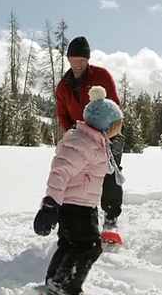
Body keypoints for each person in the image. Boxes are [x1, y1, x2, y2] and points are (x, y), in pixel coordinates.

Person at [33, 85, 124, 295]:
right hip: (75, 206)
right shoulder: (83, 143)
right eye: (117, 125)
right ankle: (65, 287)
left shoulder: (94, 141)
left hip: (83, 205)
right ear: (107, 125)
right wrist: (50, 205)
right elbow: (60, 172)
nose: (119, 130)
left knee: (69, 245)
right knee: (89, 247)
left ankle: (53, 284)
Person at [55, 36, 124, 231]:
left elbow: (115, 108)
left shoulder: (101, 76)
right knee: (82, 176)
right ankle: (88, 218)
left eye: (82, 60)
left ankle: (111, 220)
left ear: (88, 60)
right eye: (74, 59)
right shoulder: (63, 86)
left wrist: (111, 132)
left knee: (108, 172)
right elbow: (63, 115)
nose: (78, 64)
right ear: (68, 59)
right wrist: (73, 136)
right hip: (82, 136)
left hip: (110, 133)